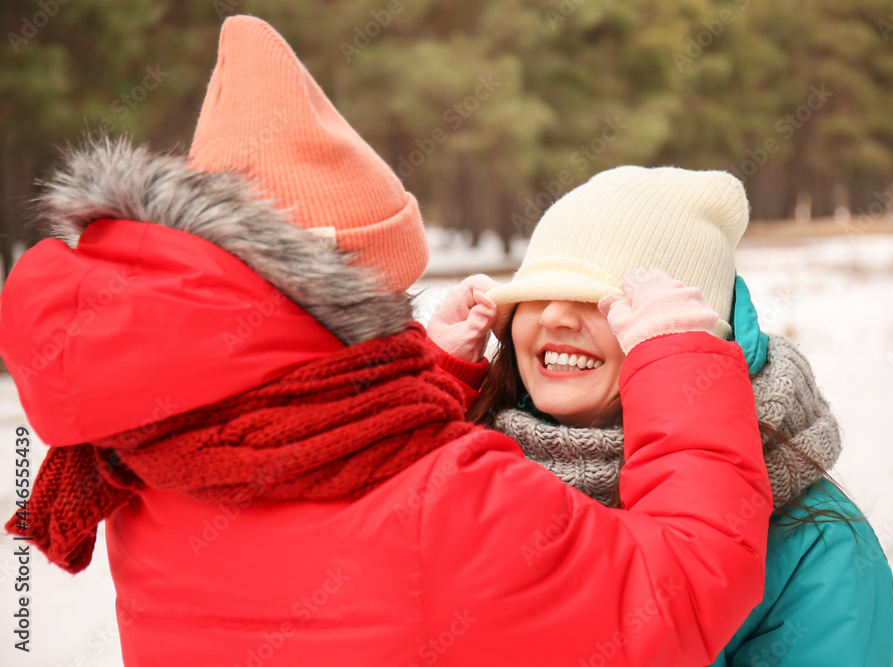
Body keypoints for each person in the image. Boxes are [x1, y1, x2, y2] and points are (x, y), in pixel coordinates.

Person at [1, 16, 772, 667]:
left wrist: (427, 374)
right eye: (388, 299)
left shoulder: (143, 471)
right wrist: (679, 359)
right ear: (340, 298)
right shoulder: (448, 503)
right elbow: (683, 587)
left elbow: (318, 466)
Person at [429, 165, 893, 665]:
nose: (553, 316)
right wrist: (427, 404)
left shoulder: (818, 545)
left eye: (601, 299)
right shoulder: (475, 472)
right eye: (537, 291)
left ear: (686, 332)